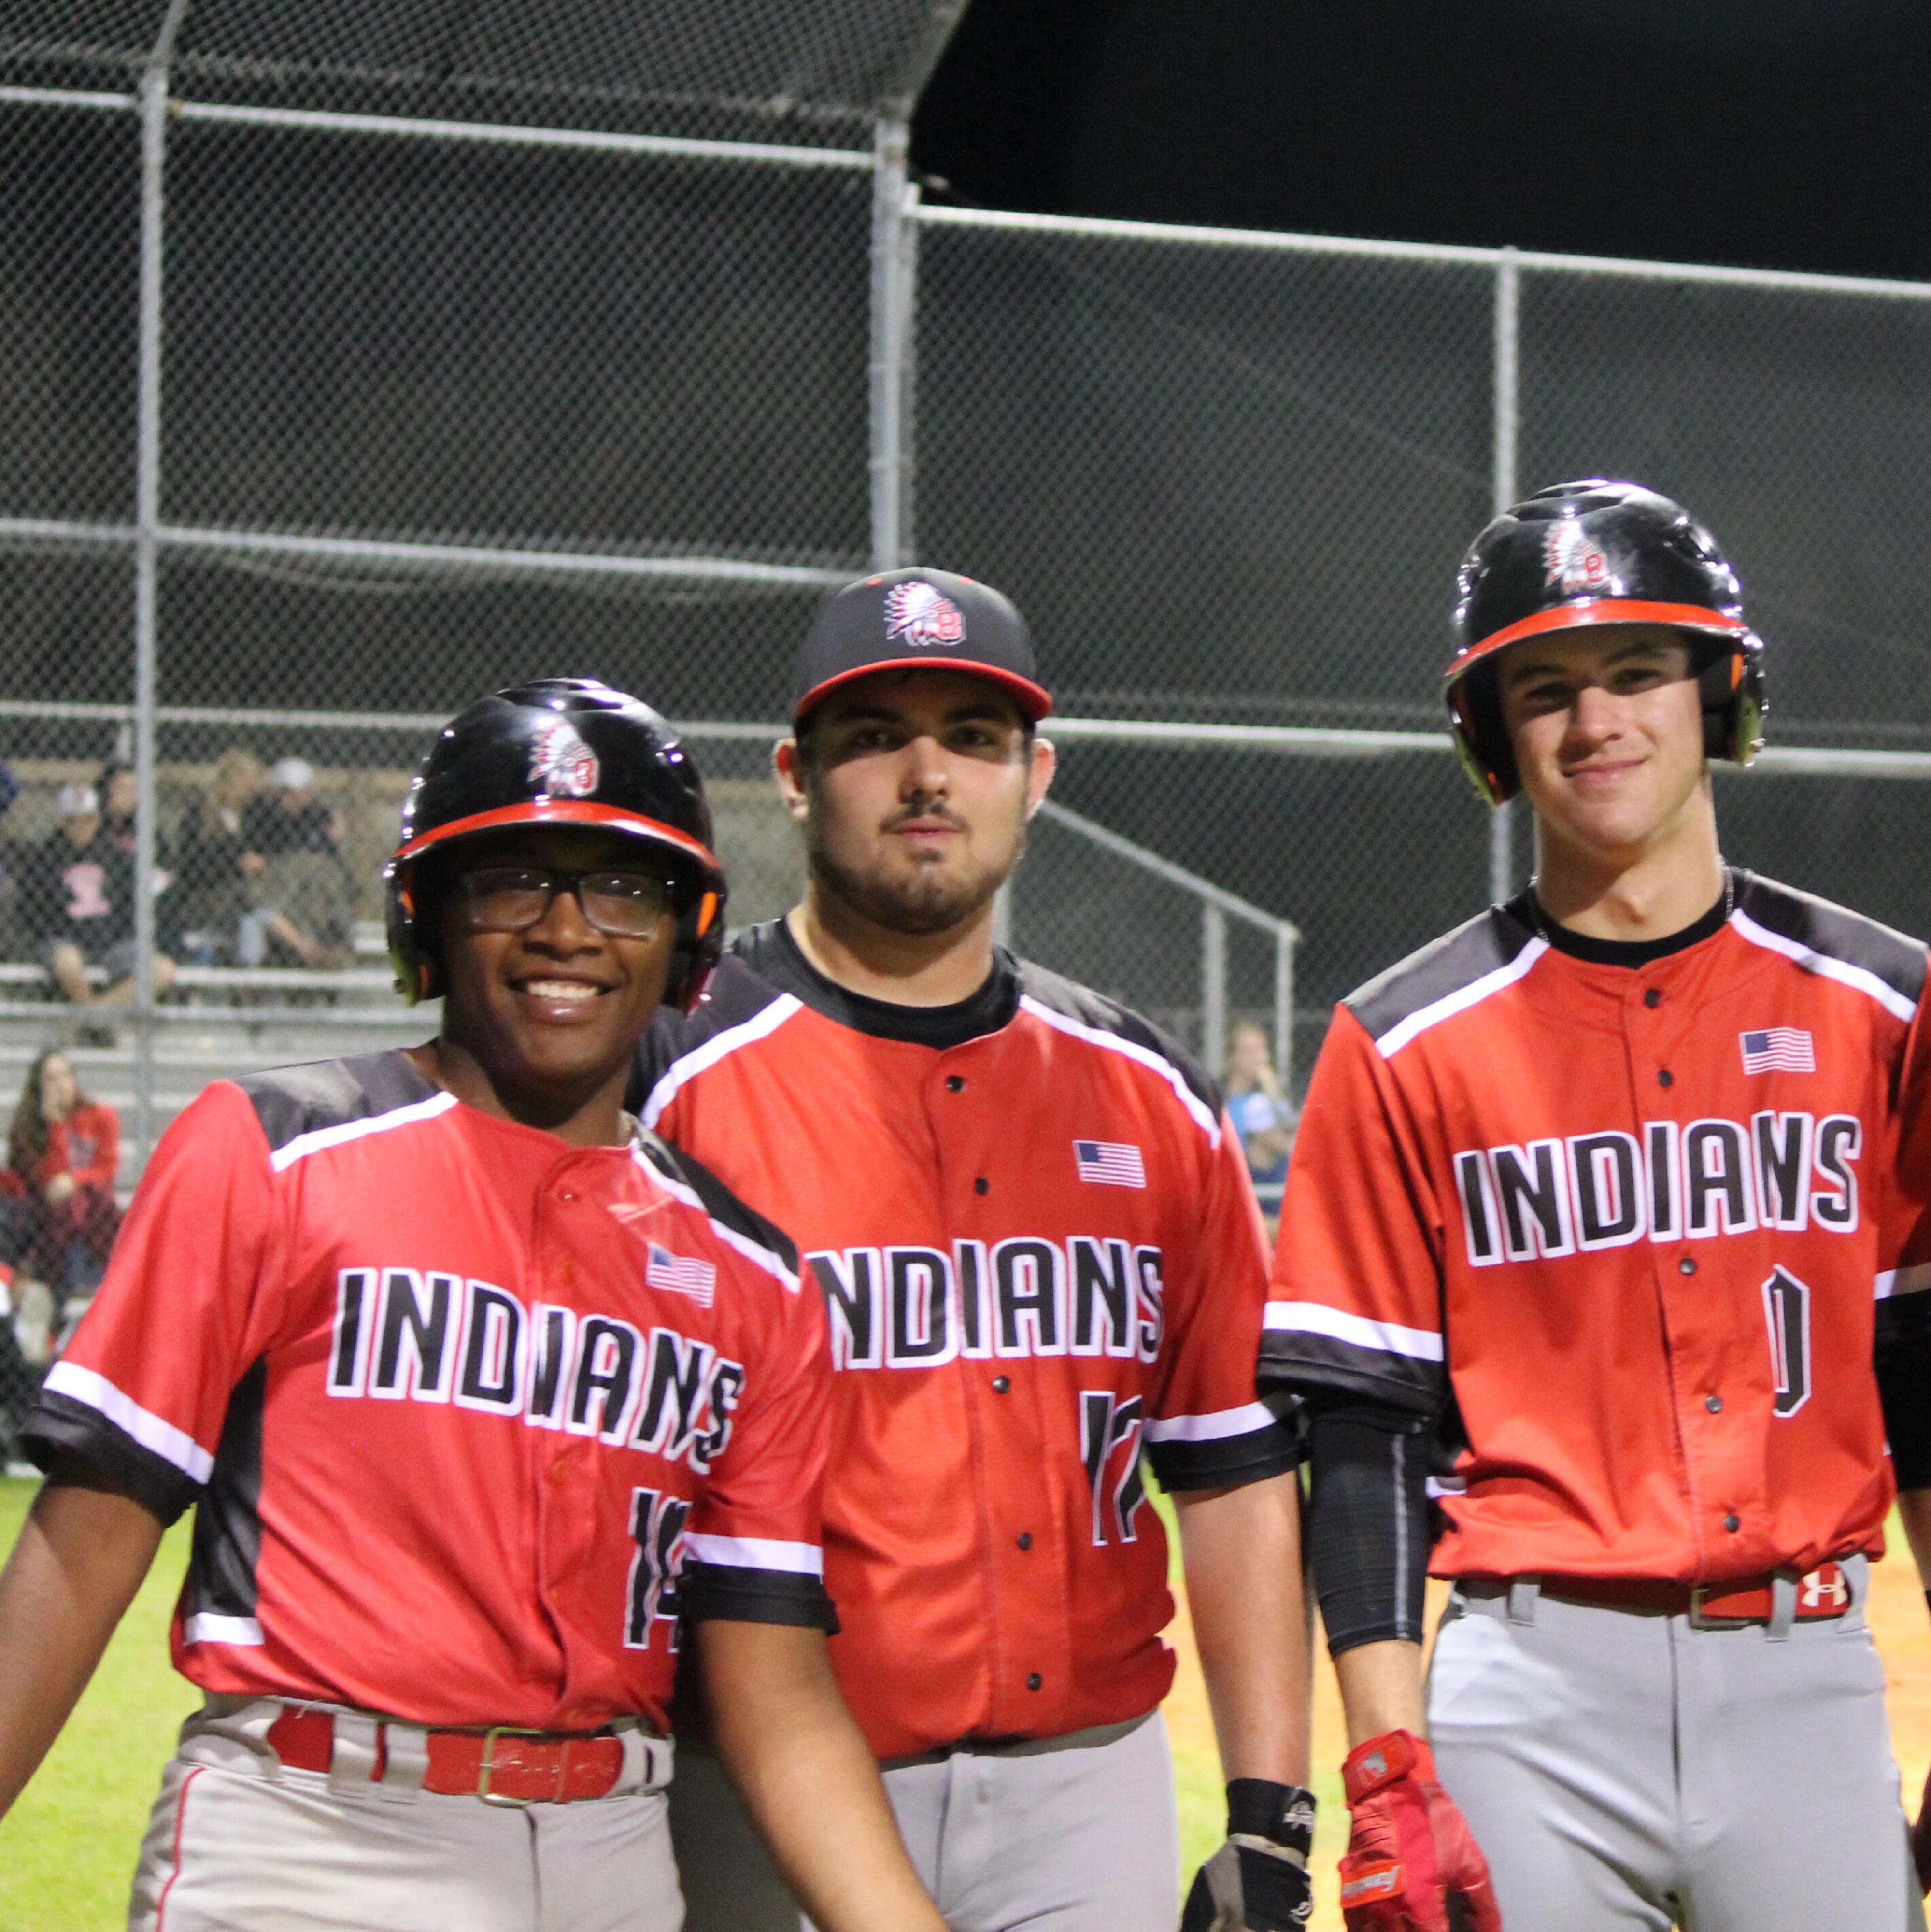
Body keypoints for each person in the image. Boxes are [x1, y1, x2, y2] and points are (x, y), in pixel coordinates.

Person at [0, 680, 947, 1932]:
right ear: (428, 917)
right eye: (511, 879)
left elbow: (774, 1690)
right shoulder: (270, 1151)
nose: (568, 928)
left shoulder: (751, 1279)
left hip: (610, 1852)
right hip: (309, 1834)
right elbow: (92, 1536)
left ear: (686, 936)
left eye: (623, 886)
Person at [1262, 481, 1931, 1932]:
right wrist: (1384, 1760)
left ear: (1719, 694)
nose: (1595, 721)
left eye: (1636, 672)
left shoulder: (1878, 996)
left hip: (1802, 1669)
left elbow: (1930, 1352)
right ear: (1491, 736)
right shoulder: (1403, 1039)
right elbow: (1361, 1426)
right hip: (1528, 1679)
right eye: (1544, 688)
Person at [632, 568, 1313, 1932]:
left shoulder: (1145, 1089)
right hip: (752, 1784)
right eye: (877, 735)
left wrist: (1269, 1814)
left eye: (975, 738)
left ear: (1036, 774)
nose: (927, 774)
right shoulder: (669, 1073)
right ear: (794, 774)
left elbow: (1231, 1463)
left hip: (1088, 1790)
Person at [0, 1049, 125, 1351]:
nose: (61, 1085)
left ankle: (49, 1317)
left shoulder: (101, 1117)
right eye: (51, 1079)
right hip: (47, 1222)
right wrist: (55, 1125)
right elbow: (40, 1185)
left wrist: (75, 1181)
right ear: (39, 1089)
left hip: (90, 1218)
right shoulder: (30, 1129)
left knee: (87, 1205)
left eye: (65, 1076)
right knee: (52, 1211)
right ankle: (47, 1316)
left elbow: (106, 1172)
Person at [22, 780, 174, 1012]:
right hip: (67, 939)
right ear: (63, 822)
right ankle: (97, 1018)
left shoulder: (115, 856)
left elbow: (128, 905)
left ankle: (94, 1015)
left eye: (88, 819)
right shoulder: (46, 859)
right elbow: (37, 912)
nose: (82, 827)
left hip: (111, 941)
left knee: (163, 969)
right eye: (74, 821)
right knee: (69, 962)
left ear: (98, 819)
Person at [239, 755, 355, 969]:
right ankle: (307, 950)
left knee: (325, 884)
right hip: (277, 885)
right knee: (264, 907)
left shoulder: (317, 815)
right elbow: (252, 858)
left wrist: (337, 832)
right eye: (288, 793)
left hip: (308, 889)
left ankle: (331, 951)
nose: (295, 799)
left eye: (301, 792)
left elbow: (331, 857)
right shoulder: (263, 818)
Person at [174, 748, 267, 965]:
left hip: (244, 901)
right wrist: (237, 864)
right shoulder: (200, 817)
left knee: (253, 922)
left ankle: (246, 981)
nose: (250, 790)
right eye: (244, 782)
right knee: (254, 918)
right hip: (207, 898)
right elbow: (190, 863)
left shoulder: (253, 818)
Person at [1223, 1020, 1298, 1194]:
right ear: (1232, 1057)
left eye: (1261, 1050)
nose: (1257, 1058)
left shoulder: (1269, 1100)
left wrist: (1270, 1086)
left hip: (1271, 1175)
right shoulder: (1222, 1101)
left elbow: (1287, 1137)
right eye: (1248, 1051)